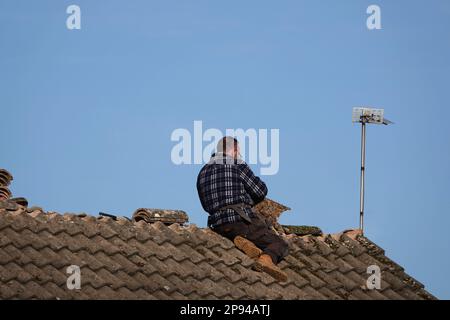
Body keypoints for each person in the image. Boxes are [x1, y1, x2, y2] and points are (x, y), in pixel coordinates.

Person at [196, 136, 289, 281]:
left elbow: (205, 205)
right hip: (239, 220)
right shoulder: (236, 163)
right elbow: (260, 191)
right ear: (234, 150)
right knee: (279, 243)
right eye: (239, 152)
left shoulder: (202, 172)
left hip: (218, 225)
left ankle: (241, 241)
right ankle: (265, 259)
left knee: (239, 233)